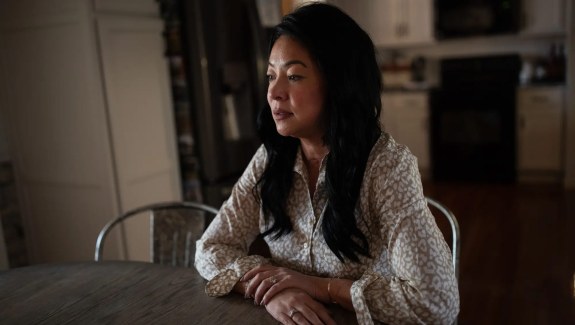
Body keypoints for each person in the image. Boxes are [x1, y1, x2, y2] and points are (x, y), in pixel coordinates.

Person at [195, 3, 459, 324]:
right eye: (270, 76)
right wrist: (276, 289)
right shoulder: (272, 157)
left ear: (338, 82)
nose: (274, 93)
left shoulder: (386, 166)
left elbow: (436, 303)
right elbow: (211, 247)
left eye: (293, 76)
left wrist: (323, 288)